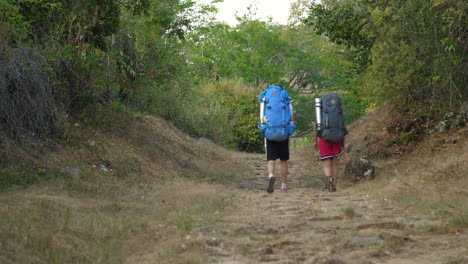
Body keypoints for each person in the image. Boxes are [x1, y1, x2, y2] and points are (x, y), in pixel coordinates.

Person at [258, 85, 294, 194]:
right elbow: (291, 116)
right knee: (283, 160)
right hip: (283, 132)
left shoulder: (265, 98)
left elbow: (261, 117)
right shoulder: (285, 97)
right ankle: (283, 186)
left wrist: (263, 128)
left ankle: (271, 176)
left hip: (270, 132)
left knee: (271, 159)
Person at [314, 94, 347, 192]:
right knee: (334, 164)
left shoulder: (321, 110)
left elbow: (316, 125)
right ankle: (334, 185)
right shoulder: (338, 110)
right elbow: (343, 125)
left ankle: (329, 181)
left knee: (326, 164)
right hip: (337, 137)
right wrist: (344, 142)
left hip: (324, 137)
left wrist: (315, 140)